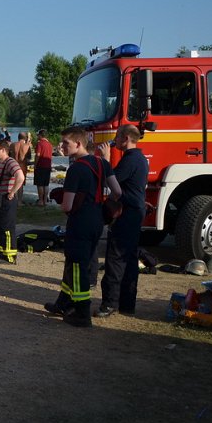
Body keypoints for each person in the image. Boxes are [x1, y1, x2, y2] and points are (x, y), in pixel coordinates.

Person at [45, 126, 121, 327]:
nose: (62, 146)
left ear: (78, 144)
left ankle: (82, 312)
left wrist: (62, 197)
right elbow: (117, 192)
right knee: (75, 262)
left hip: (80, 222)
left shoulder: (76, 169)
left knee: (77, 266)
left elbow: (67, 206)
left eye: (65, 143)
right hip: (97, 220)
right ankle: (64, 302)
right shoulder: (101, 163)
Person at [95, 124, 149, 318]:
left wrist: (106, 160)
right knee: (129, 258)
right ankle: (127, 304)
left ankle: (109, 304)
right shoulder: (139, 158)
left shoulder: (130, 160)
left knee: (116, 259)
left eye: (117, 137)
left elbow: (112, 182)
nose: (114, 140)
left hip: (126, 215)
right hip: (135, 213)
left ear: (126, 138)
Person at [0, 139, 24, 264]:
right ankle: (2, 252)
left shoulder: (10, 162)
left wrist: (12, 192)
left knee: (7, 227)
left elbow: (20, 177)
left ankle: (10, 256)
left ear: (3, 150)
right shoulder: (1, 163)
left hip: (6, 200)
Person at [10, 131, 32, 205]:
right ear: (25, 138)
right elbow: (29, 158)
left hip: (13, 165)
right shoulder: (27, 146)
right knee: (20, 184)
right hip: (22, 166)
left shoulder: (12, 145)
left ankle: (13, 200)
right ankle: (19, 201)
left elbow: (9, 156)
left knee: (13, 182)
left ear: (18, 137)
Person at [34, 129, 53, 206]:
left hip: (40, 166)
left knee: (40, 184)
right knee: (46, 184)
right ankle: (45, 201)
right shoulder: (50, 144)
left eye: (38, 135)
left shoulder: (40, 144)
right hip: (48, 166)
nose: (37, 136)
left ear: (41, 135)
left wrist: (35, 164)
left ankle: (40, 201)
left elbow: (38, 154)